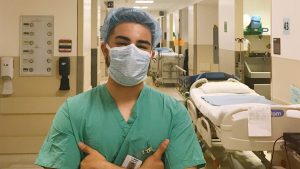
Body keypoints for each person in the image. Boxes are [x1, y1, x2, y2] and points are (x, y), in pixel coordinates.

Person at [35, 7, 206, 169]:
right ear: (105, 50)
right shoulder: (73, 112)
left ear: (151, 55)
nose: (132, 51)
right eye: (122, 43)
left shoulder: (174, 113)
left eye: (141, 46)